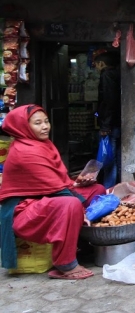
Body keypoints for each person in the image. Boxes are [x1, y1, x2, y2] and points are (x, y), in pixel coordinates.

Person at [0, 105, 106, 279]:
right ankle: (65, 264)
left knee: (97, 190)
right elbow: (56, 189)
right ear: (23, 126)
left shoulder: (42, 144)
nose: (45, 126)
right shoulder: (25, 151)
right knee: (71, 204)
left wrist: (77, 184)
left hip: (45, 198)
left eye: (46, 121)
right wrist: (80, 208)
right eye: (37, 123)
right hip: (22, 212)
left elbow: (55, 183)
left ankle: (82, 243)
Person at [93, 50, 121, 188]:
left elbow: (109, 101)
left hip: (111, 124)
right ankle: (114, 185)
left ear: (102, 64)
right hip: (116, 122)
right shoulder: (116, 74)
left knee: (110, 158)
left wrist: (105, 126)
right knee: (114, 156)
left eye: (96, 64)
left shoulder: (107, 75)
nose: (96, 68)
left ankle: (109, 187)